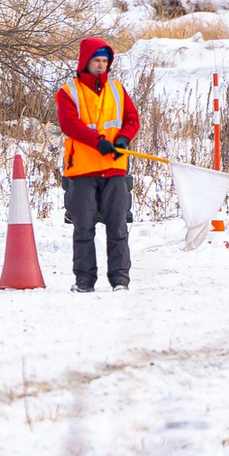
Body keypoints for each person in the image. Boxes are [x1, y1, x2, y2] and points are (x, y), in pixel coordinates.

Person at [55, 37, 138, 290]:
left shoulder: (117, 90)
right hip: (82, 170)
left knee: (118, 228)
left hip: (114, 169)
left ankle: (120, 280)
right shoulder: (68, 92)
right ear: (85, 62)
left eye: (105, 61)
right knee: (83, 229)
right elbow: (69, 124)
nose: (101, 66)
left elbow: (132, 118)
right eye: (97, 61)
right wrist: (97, 141)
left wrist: (124, 138)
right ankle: (84, 280)